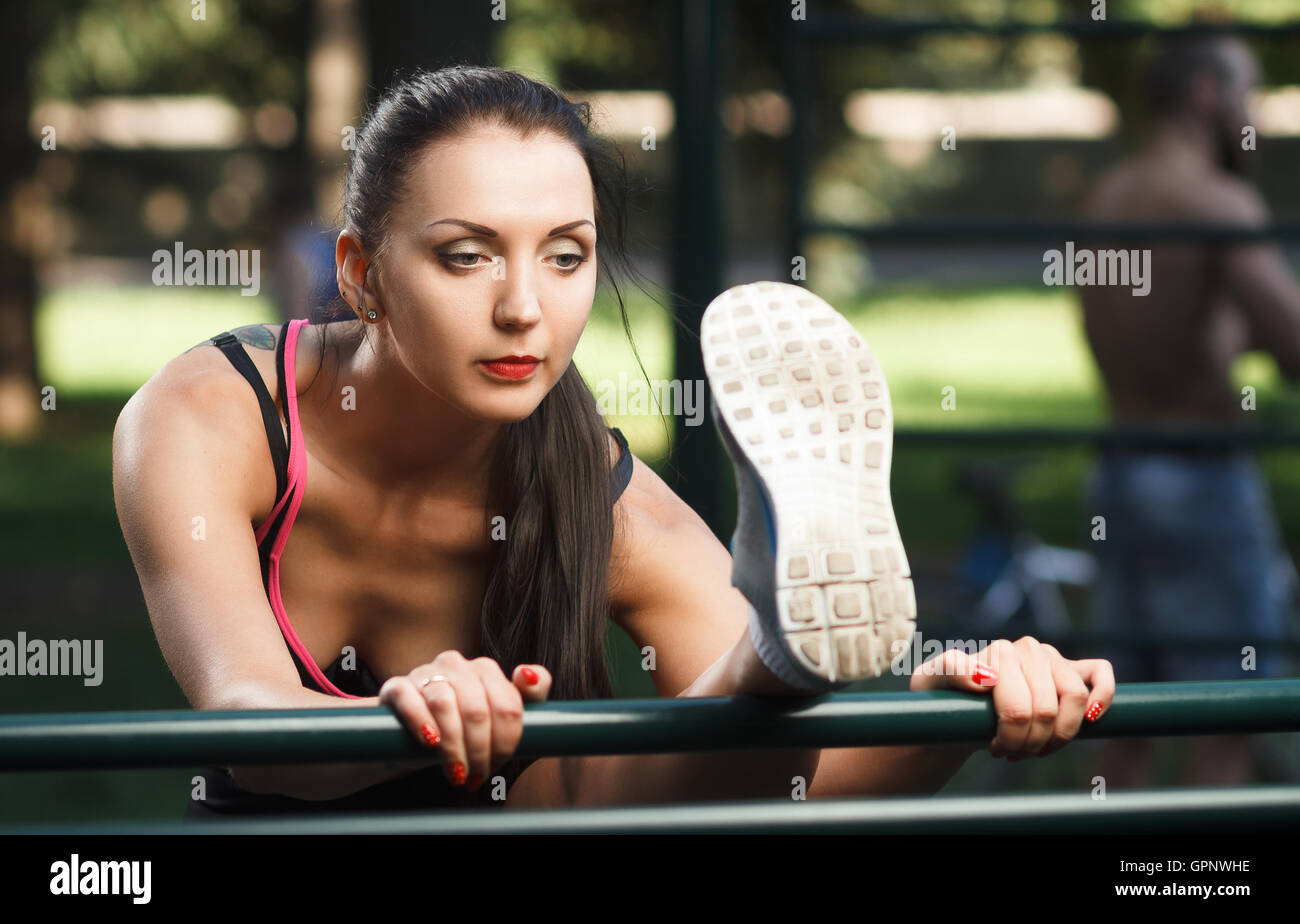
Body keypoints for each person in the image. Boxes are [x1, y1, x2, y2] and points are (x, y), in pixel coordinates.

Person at [112, 65, 1113, 818]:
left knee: (704, 741)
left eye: (565, 256)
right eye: (465, 257)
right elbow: (252, 725)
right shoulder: (210, 417)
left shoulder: (598, 490)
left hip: (556, 826)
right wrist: (416, 715)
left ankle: (771, 652)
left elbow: (804, 784)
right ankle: (763, 654)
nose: (523, 308)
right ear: (361, 273)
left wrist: (950, 712)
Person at [1077, 35, 1300, 786]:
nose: (1256, 111)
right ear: (1208, 92)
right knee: (1228, 710)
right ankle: (1203, 876)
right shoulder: (1218, 201)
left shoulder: (1105, 198)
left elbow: (1166, 335)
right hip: (1199, 477)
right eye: (1249, 89)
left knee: (1118, 709)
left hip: (1118, 469)